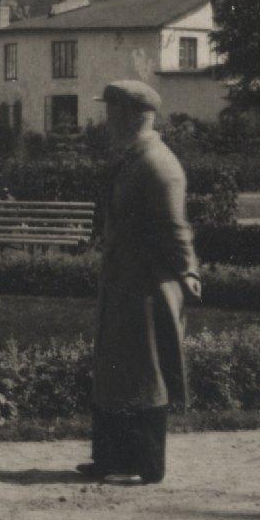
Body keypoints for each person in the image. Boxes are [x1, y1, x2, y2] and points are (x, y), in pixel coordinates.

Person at [78, 80, 200, 485]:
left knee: (145, 372)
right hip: (125, 281)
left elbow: (174, 226)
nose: (107, 121)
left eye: (113, 112)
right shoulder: (135, 157)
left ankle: (147, 463)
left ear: (136, 116)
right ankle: (111, 459)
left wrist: (187, 270)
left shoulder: (158, 164)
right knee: (116, 371)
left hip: (146, 285)